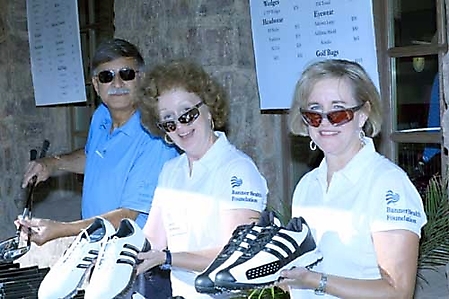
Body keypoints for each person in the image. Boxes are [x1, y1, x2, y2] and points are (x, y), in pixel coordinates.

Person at [19, 38, 178, 298]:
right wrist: (51, 163)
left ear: (142, 78)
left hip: (135, 267)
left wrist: (62, 230)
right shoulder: (102, 116)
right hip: (98, 257)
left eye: (126, 74)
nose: (116, 84)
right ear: (95, 84)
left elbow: (128, 215)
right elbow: (96, 157)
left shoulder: (153, 136)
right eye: (106, 76)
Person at [278, 59, 427, 298]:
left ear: (363, 114)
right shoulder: (306, 186)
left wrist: (315, 281)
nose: (325, 122)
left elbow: (398, 291)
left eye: (338, 112)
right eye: (314, 113)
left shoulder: (388, 184)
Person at [135, 59, 268, 298]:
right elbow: (152, 240)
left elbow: (236, 254)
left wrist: (168, 258)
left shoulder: (237, 170)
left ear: (209, 110)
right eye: (169, 121)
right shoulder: (170, 171)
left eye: (188, 114)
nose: (180, 127)